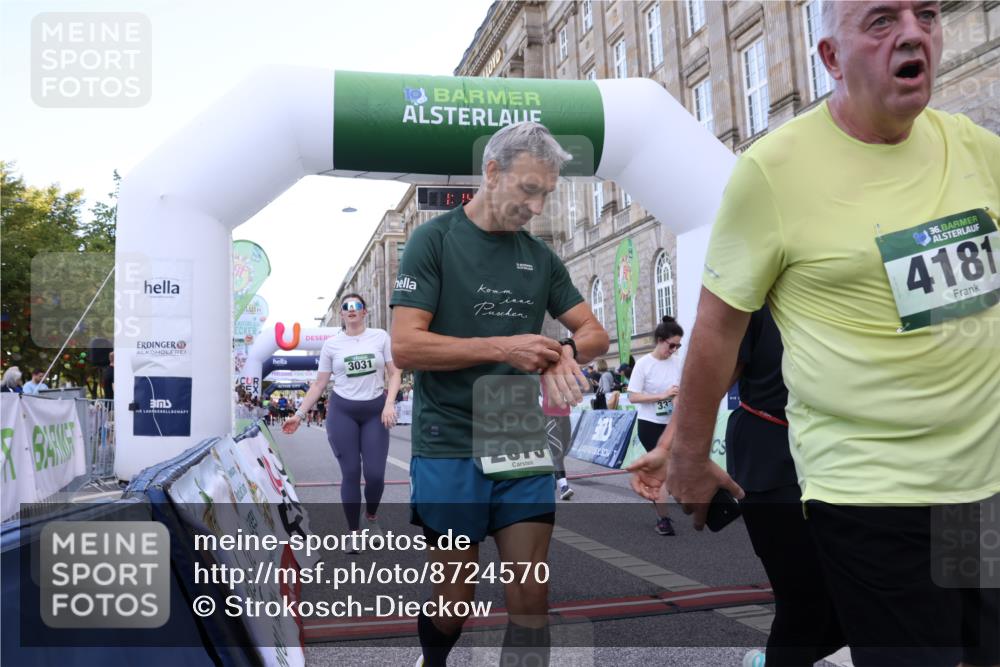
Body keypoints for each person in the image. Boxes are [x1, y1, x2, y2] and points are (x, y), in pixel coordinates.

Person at [665, 3, 1000, 665]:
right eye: (880, 21)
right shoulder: (773, 171)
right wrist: (687, 453)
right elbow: (715, 330)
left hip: (981, 488)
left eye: (925, 13)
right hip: (869, 492)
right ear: (829, 59)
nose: (911, 32)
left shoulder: (977, 148)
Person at [390, 121, 609, 667]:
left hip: (515, 428)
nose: (536, 207)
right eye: (528, 190)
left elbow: (595, 333)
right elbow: (406, 347)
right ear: (492, 172)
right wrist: (502, 348)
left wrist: (563, 352)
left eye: (545, 195)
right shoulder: (433, 241)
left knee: (531, 594)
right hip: (449, 436)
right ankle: (433, 659)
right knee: (453, 604)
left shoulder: (538, 258)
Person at [630, 307, 845, 665]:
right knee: (805, 606)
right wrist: (671, 450)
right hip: (773, 457)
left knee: (858, 608)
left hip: (854, 461)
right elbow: (711, 376)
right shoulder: (762, 284)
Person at [283, 293, 401, 552]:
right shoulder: (332, 345)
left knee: (375, 475)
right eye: (346, 307)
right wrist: (299, 414)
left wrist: (389, 403)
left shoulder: (380, 337)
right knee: (350, 473)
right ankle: (353, 533)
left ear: (364, 311)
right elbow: (319, 384)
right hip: (342, 412)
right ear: (342, 314)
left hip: (375, 412)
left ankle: (371, 518)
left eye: (356, 306)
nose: (351, 310)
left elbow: (394, 373)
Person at [625, 316, 683, 536]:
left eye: (678, 345)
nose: (674, 349)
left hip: (671, 425)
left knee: (672, 471)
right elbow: (632, 397)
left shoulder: (677, 362)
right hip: (650, 425)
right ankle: (663, 518)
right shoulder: (643, 364)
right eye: (671, 345)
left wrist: (677, 400)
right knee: (663, 472)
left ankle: (660, 505)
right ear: (660, 340)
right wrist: (662, 395)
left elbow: (680, 391)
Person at [541, 381, 574, 501]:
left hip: (565, 415)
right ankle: (564, 486)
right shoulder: (543, 371)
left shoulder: (563, 371)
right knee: (557, 451)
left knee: (564, 448)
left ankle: (553, 475)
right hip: (549, 415)